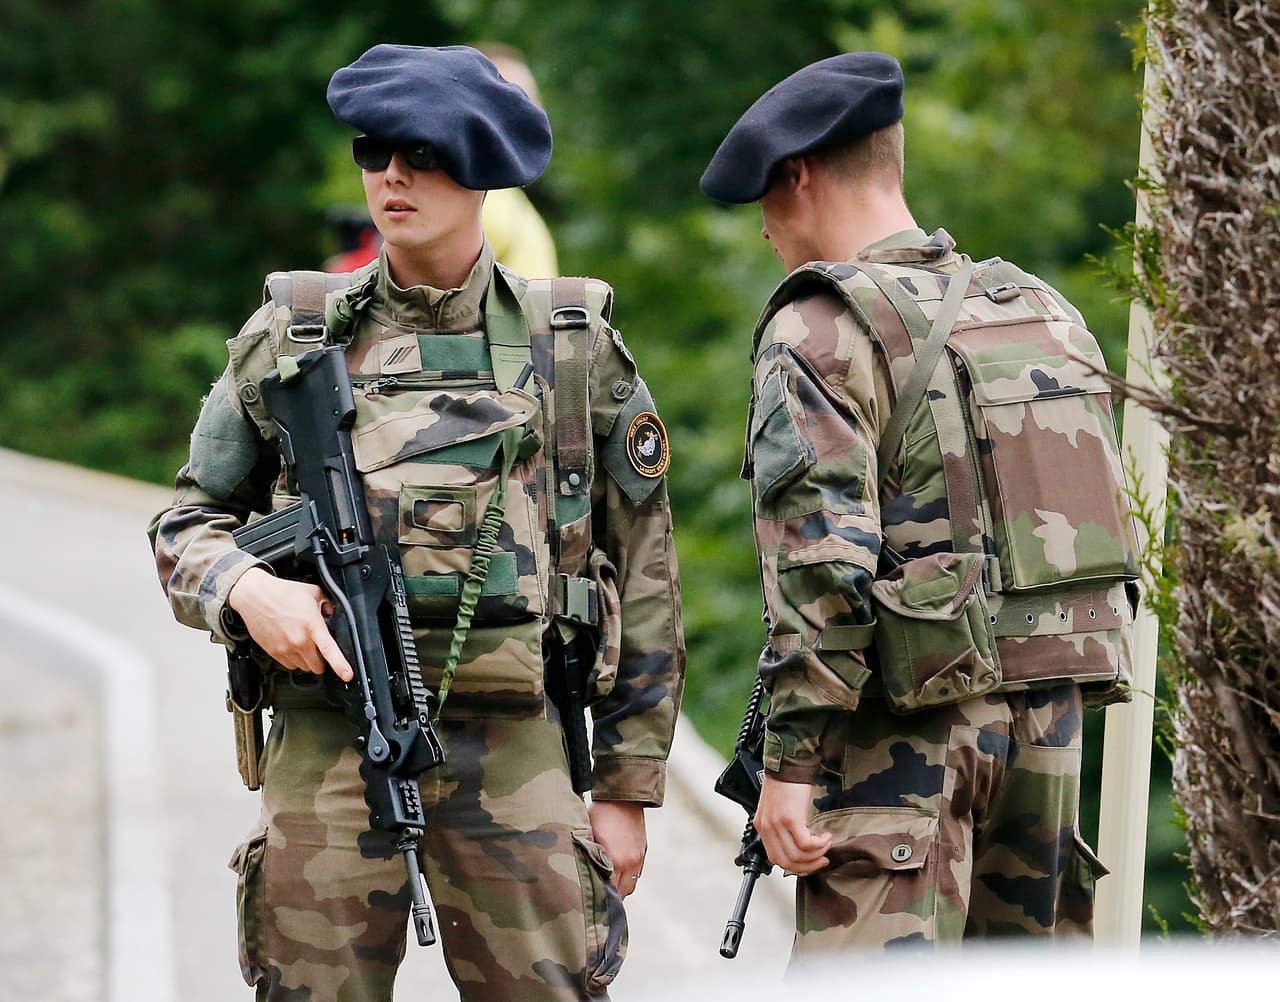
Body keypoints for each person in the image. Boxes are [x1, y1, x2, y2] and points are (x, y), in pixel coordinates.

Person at [148, 43, 685, 1002]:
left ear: (484, 170)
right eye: (374, 150)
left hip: (518, 740)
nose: (392, 175)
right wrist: (246, 588)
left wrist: (627, 787)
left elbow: (642, 568)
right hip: (327, 740)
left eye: (424, 154)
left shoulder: (573, 346)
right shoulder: (294, 336)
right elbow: (186, 522)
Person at [699, 53, 1139, 958]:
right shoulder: (1041, 313)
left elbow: (822, 570)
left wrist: (789, 766)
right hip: (1049, 750)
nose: (765, 232)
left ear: (799, 176)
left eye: (764, 203)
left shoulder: (818, 329)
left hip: (902, 752)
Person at [476, 42, 560, 277]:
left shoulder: (502, 194)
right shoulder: (477, 202)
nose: (537, 113)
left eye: (533, 99)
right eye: (520, 101)